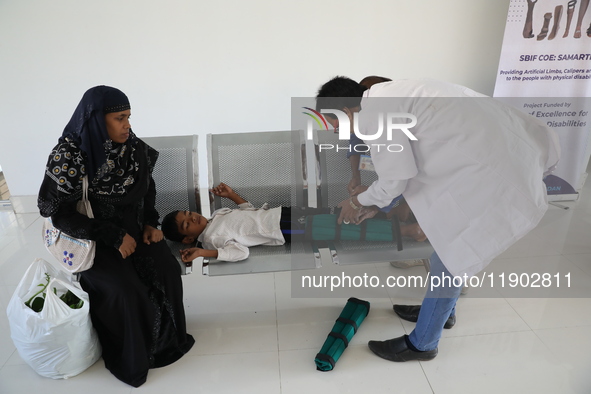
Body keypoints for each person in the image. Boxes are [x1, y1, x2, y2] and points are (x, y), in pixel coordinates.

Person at [315, 76, 560, 362]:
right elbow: (406, 167)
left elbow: (395, 178)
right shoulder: (391, 93)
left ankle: (423, 343)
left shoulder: (375, 116)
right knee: (449, 244)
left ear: (344, 112)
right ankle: (441, 312)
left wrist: (356, 200)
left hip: (483, 171)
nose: (333, 130)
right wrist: (376, 205)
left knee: (452, 250)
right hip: (494, 152)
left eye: (331, 122)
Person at [37, 86, 194, 387]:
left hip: (135, 233)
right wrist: (112, 236)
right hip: (93, 240)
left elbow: (148, 189)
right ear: (97, 120)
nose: (128, 125)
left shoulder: (133, 149)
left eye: (129, 117)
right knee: (124, 289)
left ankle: (167, 342)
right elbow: (59, 213)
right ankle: (132, 356)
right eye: (120, 118)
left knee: (166, 268)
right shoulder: (68, 158)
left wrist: (150, 222)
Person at [161, 183, 427, 263]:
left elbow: (248, 210)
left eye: (188, 213)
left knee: (337, 214)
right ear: (188, 239)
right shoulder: (211, 239)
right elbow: (240, 252)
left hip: (284, 214)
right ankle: (407, 231)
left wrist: (231, 196)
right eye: (187, 225)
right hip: (285, 229)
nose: (192, 217)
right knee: (341, 227)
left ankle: (389, 215)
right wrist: (204, 253)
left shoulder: (216, 217)